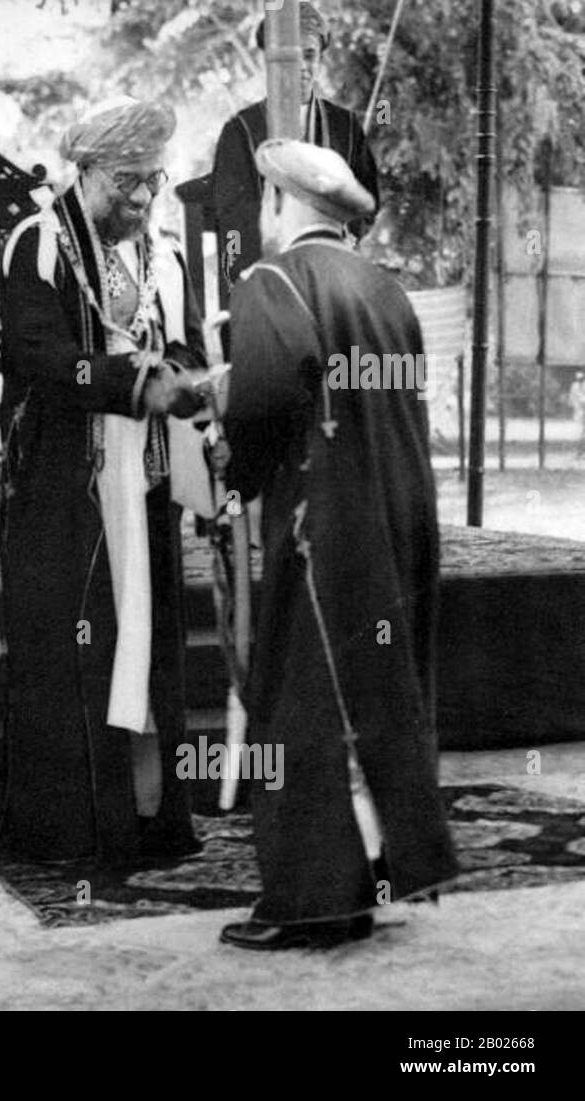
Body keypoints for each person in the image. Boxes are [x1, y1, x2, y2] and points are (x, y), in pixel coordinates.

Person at [219, 139, 458, 950]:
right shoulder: (386, 286)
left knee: (303, 698)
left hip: (323, 517)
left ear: (281, 202)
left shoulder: (272, 279)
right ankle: (391, 864)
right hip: (403, 510)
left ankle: (313, 902)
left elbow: (257, 400)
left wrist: (232, 474)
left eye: (262, 198)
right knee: (384, 687)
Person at [0, 98, 208, 866]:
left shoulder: (167, 253)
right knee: (74, 644)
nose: (144, 198)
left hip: (147, 478)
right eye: (127, 182)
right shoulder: (39, 244)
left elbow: (183, 342)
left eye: (153, 180)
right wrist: (132, 382)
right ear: (83, 171)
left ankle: (152, 817)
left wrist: (182, 379)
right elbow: (42, 359)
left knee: (148, 640)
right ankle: (73, 831)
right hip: (64, 486)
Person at [211, 3, 378, 308]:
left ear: (320, 58)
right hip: (268, 274)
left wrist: (346, 238)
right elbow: (232, 217)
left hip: (333, 272)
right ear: (269, 59)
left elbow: (367, 203)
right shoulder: (240, 130)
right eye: (291, 55)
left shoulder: (346, 126)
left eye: (310, 55)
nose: (301, 66)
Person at [569, 370, 585, 459]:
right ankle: (580, 452)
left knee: (582, 434)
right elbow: (572, 398)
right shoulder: (574, 386)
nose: (580, 380)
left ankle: (580, 452)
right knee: (581, 433)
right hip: (580, 412)